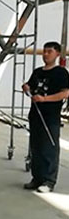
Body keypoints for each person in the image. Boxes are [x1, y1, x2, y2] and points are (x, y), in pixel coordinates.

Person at [22, 42, 69, 193]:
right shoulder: (37, 72)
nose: (46, 54)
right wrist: (27, 88)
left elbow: (65, 93)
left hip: (50, 116)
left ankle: (49, 180)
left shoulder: (61, 73)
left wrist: (45, 99)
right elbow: (30, 86)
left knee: (49, 147)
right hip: (35, 115)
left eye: (50, 52)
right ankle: (37, 178)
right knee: (36, 147)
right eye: (44, 51)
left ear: (57, 54)